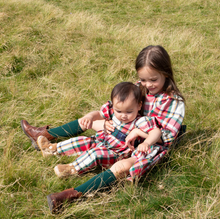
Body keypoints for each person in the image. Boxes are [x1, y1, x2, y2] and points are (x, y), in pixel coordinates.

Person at [45, 45, 185, 213]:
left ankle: (70, 196)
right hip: (124, 134)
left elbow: (166, 139)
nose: (147, 84)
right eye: (143, 79)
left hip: (149, 146)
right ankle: (47, 135)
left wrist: (139, 133)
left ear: (166, 73)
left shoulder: (174, 102)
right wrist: (105, 121)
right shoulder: (140, 86)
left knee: (121, 167)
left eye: (153, 79)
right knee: (92, 121)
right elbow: (118, 107)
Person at [36, 82, 162, 178]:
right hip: (101, 140)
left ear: (139, 106)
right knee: (82, 141)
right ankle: (52, 149)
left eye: (129, 111)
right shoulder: (112, 111)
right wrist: (89, 117)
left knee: (96, 154)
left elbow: (156, 131)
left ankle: (72, 168)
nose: (123, 115)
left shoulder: (140, 121)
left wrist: (146, 143)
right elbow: (98, 113)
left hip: (116, 153)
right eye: (119, 111)